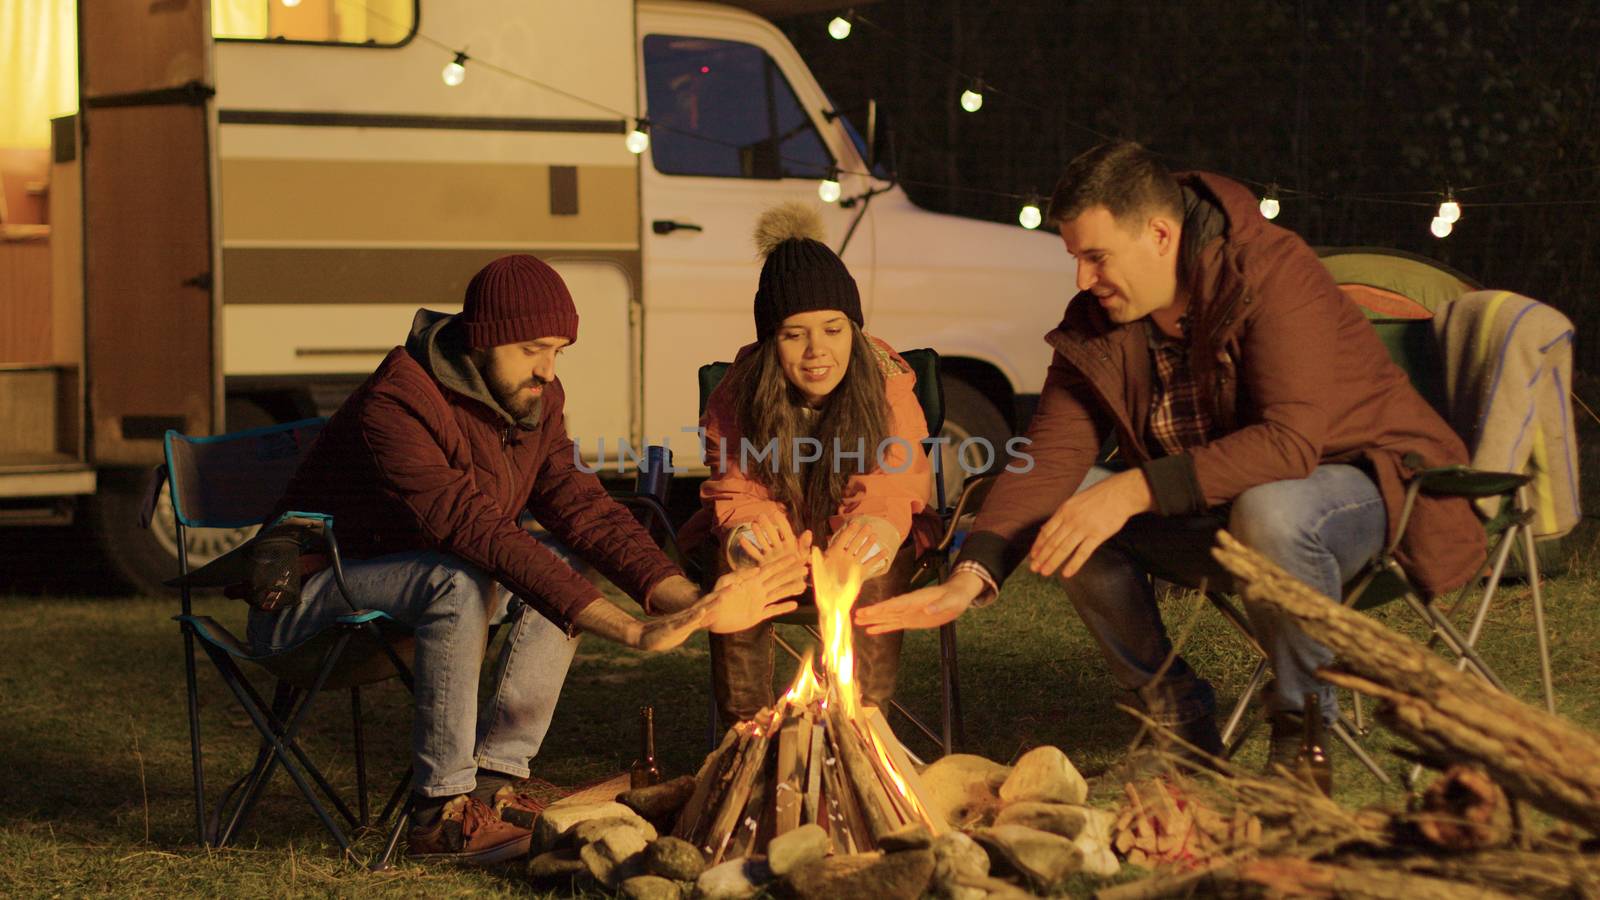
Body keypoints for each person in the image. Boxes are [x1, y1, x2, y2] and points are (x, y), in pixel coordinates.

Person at [857, 142, 1485, 784]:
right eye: (1075, 258)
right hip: (1219, 511)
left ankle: (1303, 738)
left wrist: (1133, 490)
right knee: (1075, 524)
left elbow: (1290, 443)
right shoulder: (1100, 321)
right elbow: (1052, 452)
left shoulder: (1269, 274)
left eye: (1096, 257)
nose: (1082, 280)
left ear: (1160, 234)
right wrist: (974, 571)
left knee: (1268, 506)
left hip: (1373, 489)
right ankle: (1177, 725)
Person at [247, 254, 805, 865]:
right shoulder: (397, 403)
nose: (547, 369)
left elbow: (584, 509)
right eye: (533, 348)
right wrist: (634, 632)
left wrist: (692, 604)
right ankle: (439, 814)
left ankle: (494, 777)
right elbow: (473, 529)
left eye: (559, 350)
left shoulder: (532, 397)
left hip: (411, 594)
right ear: (482, 339)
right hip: (307, 602)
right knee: (459, 580)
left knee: (562, 559)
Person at [680, 202, 939, 726]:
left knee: (873, 567)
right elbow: (736, 490)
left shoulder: (885, 381)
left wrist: (869, 533)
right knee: (738, 568)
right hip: (786, 548)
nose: (817, 351)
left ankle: (862, 728)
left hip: (857, 538)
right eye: (795, 334)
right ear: (772, 339)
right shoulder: (738, 391)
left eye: (833, 329)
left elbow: (893, 478)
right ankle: (745, 736)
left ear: (854, 329)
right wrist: (754, 535)